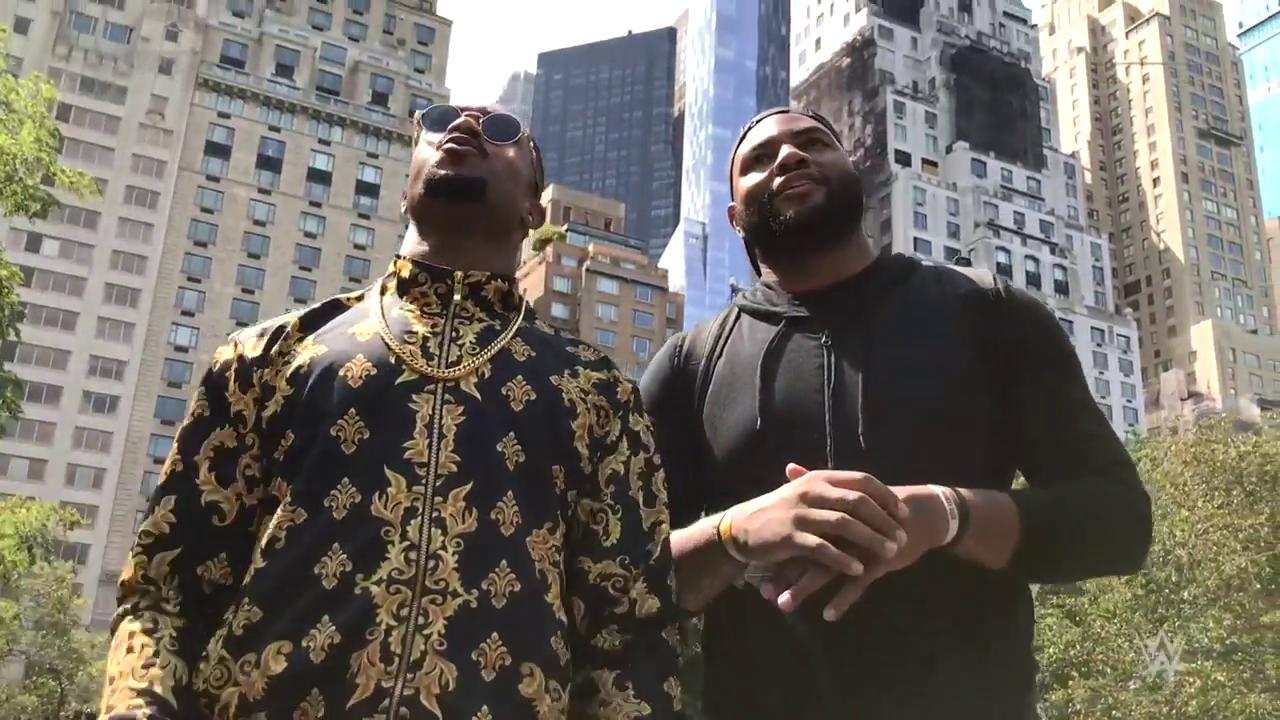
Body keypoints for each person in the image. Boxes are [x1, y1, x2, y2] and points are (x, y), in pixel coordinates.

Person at [101, 105, 684, 719]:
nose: (464, 126)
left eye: (502, 130)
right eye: (440, 120)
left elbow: (632, 638)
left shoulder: (596, 395)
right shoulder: (263, 358)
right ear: (404, 192)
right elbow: (165, 592)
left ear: (533, 212)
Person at [640, 107, 1153, 719]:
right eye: (759, 159)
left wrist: (947, 515)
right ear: (734, 217)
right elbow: (616, 581)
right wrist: (734, 534)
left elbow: (1120, 524)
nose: (790, 157)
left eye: (813, 143)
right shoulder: (688, 366)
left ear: (854, 170)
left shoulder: (991, 313)